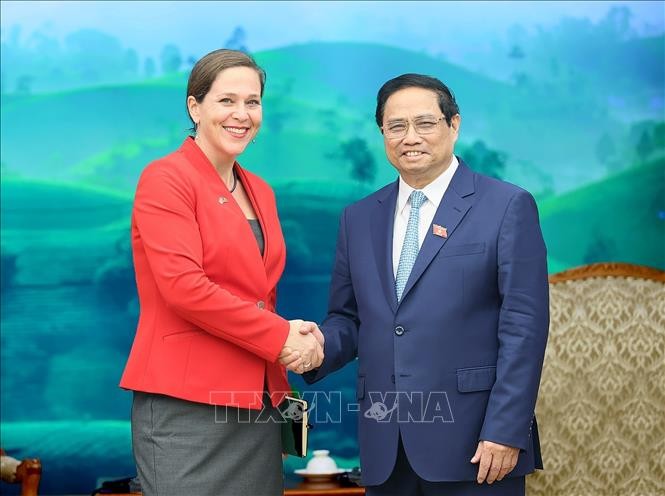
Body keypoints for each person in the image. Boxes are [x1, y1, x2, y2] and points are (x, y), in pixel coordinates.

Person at [299, 73, 549, 495]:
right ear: (382, 133)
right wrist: (314, 347)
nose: (410, 137)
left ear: (454, 125)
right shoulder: (359, 218)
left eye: (425, 123)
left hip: (478, 447)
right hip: (386, 448)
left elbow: (524, 328)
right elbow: (349, 318)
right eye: (396, 126)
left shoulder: (507, 206)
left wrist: (506, 430)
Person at [119, 48, 322, 496]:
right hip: (186, 407)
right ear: (195, 107)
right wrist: (281, 336)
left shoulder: (261, 190)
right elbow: (184, 288)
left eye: (253, 102)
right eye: (226, 100)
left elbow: (258, 298)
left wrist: (289, 357)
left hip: (256, 406)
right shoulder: (166, 178)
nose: (241, 114)